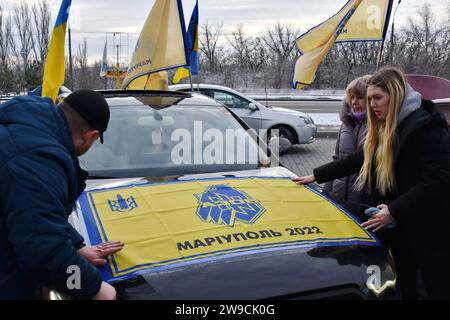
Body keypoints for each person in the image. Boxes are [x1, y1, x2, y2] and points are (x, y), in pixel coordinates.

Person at [293, 67, 450, 299]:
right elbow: (360, 158)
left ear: (395, 96)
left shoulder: (427, 127)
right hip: (401, 224)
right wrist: (316, 175)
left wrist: (394, 210)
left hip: (428, 227)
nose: (372, 105)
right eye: (370, 99)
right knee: (403, 285)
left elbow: (439, 180)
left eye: (378, 98)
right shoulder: (387, 124)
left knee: (430, 286)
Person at [0, 89, 124, 300]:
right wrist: (94, 288)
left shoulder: (29, 127)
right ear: (90, 137)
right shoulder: (38, 160)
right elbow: (42, 256)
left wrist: (75, 246)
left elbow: (33, 214)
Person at [322, 75, 371, 215]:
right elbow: (337, 159)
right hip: (338, 194)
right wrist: (326, 190)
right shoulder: (346, 123)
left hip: (363, 199)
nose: (354, 101)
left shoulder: (377, 126)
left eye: (360, 97)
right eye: (352, 97)